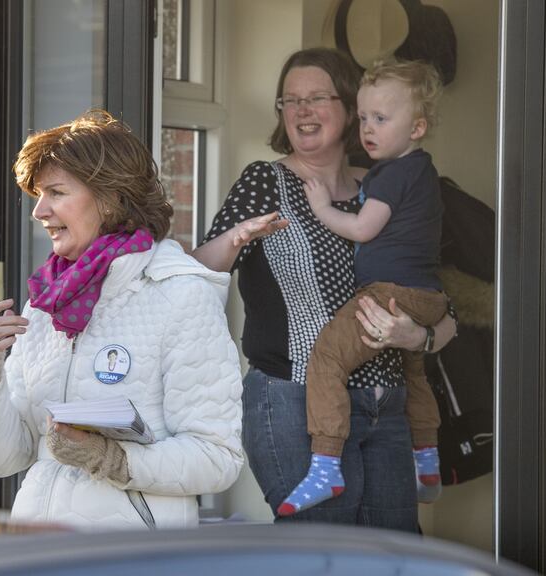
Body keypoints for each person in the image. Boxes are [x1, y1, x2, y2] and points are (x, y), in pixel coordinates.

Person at [191, 47, 456, 529]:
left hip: (388, 400)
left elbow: (439, 295)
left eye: (316, 97)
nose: (301, 111)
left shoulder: (384, 184)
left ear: (351, 107)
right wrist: (238, 237)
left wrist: (419, 337)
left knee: (397, 552)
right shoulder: (265, 182)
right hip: (294, 400)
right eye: (289, 101)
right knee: (324, 550)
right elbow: (198, 270)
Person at [0, 110, 244, 530]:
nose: (39, 211)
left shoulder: (181, 294)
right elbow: (4, 459)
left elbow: (217, 458)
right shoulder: (45, 303)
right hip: (36, 548)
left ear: (110, 198)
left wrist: (112, 460)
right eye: (38, 194)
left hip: (127, 558)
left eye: (56, 192)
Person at [279, 59, 447, 516]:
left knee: (328, 357)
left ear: (417, 128)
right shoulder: (425, 172)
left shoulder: (392, 174)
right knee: (414, 375)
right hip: (427, 295)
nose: (368, 129)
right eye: (365, 117)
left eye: (382, 119)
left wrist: (320, 206)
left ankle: (326, 466)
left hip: (389, 292)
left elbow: (362, 228)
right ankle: (427, 462)